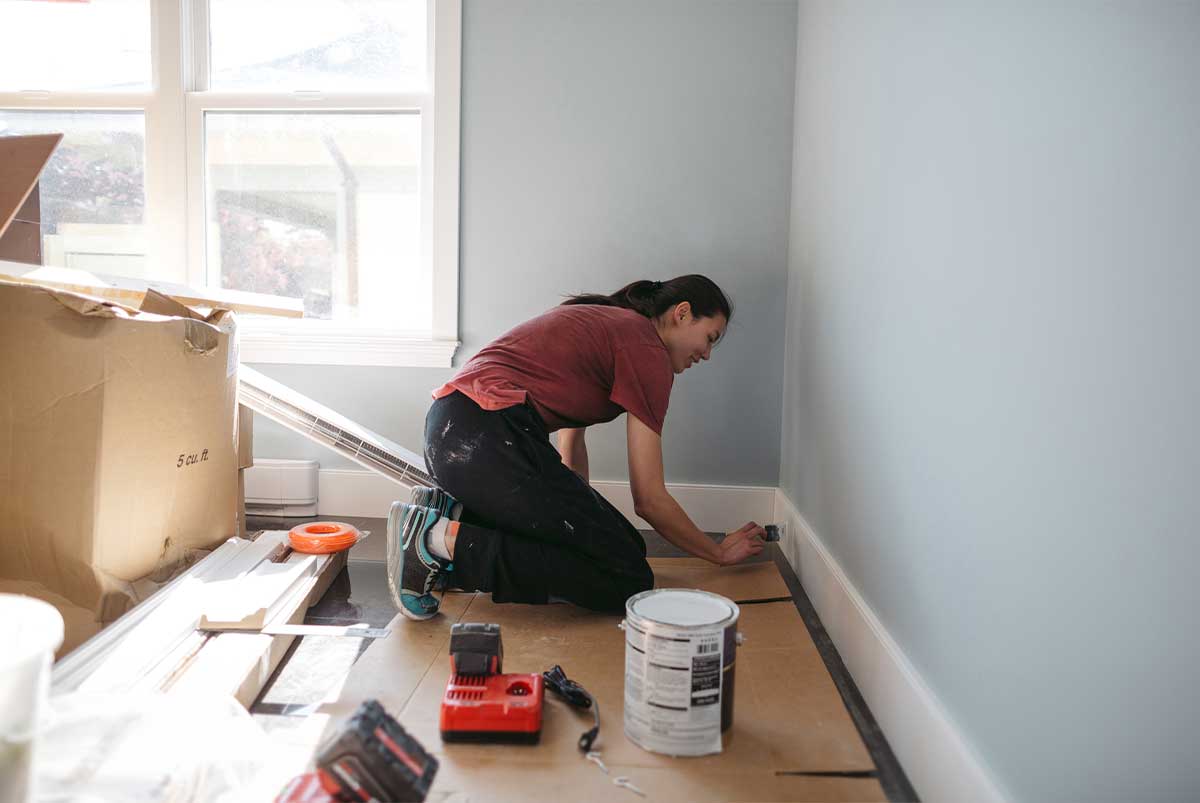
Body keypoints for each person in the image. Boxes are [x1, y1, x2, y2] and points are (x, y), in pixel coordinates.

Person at [387, 274, 767, 621]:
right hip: (485, 439)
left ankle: (456, 516)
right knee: (626, 576)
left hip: (457, 436)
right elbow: (649, 499)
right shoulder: (646, 349)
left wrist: (577, 530)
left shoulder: (608, 325)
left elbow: (570, 453)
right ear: (682, 314)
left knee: (626, 549)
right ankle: (435, 540)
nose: (707, 354)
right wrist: (716, 552)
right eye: (710, 338)